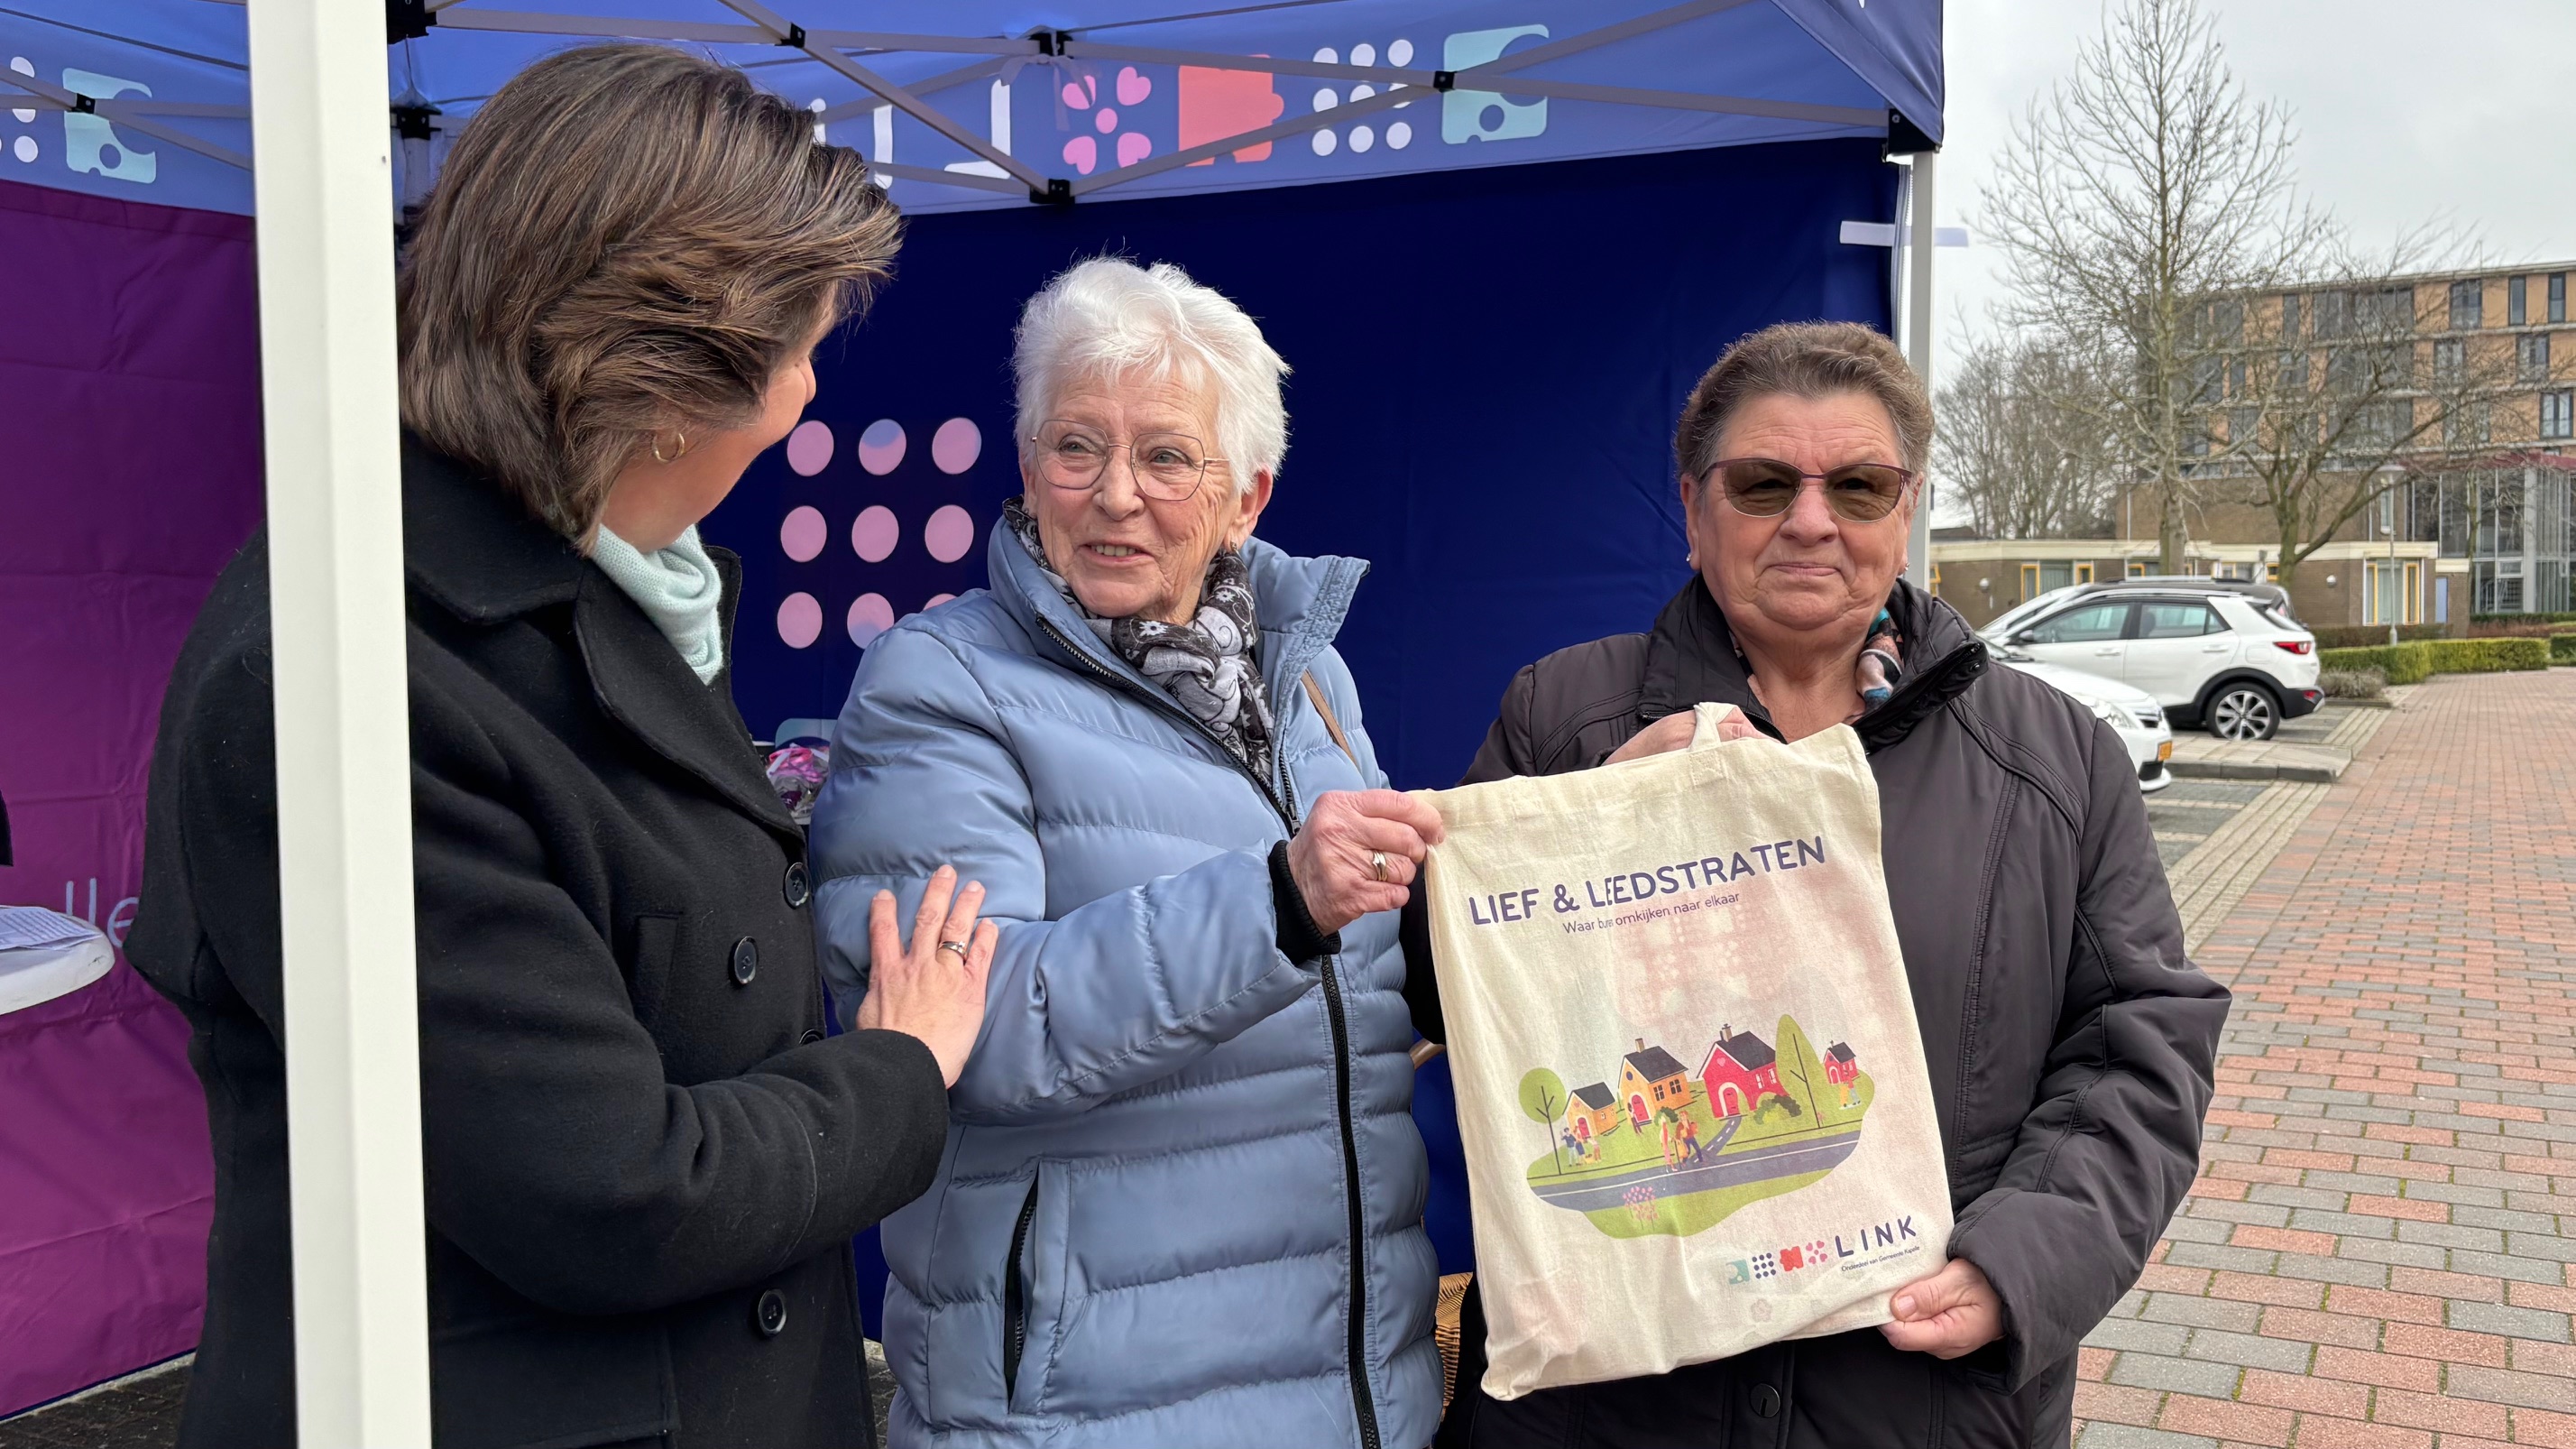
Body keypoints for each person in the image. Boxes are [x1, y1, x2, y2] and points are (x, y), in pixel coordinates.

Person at [130, 46, 989, 1449]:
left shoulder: (591, 578)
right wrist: (898, 1069)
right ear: (662, 379)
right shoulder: (348, 677)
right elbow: (613, 1193)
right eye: (799, 353)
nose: (808, 402)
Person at [1407, 322, 2228, 1448]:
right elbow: (1436, 986)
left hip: (1922, 1402)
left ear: (1907, 509)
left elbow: (2140, 1042)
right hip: (1607, 1414)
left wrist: (2024, 1263)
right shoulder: (1563, 718)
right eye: (1761, 484)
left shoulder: (2056, 759)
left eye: (1857, 483)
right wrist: (1582, 825)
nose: (1809, 518)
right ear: (1695, 512)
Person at [809, 257, 1446, 1449]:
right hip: (1082, 1407)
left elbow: (1366, 977)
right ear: (1028, 466)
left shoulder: (1311, 677)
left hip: (1349, 1389)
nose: (1114, 494)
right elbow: (970, 1029)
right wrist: (1277, 901)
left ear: (1246, 497)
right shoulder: (939, 683)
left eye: (1165, 456)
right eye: (1075, 448)